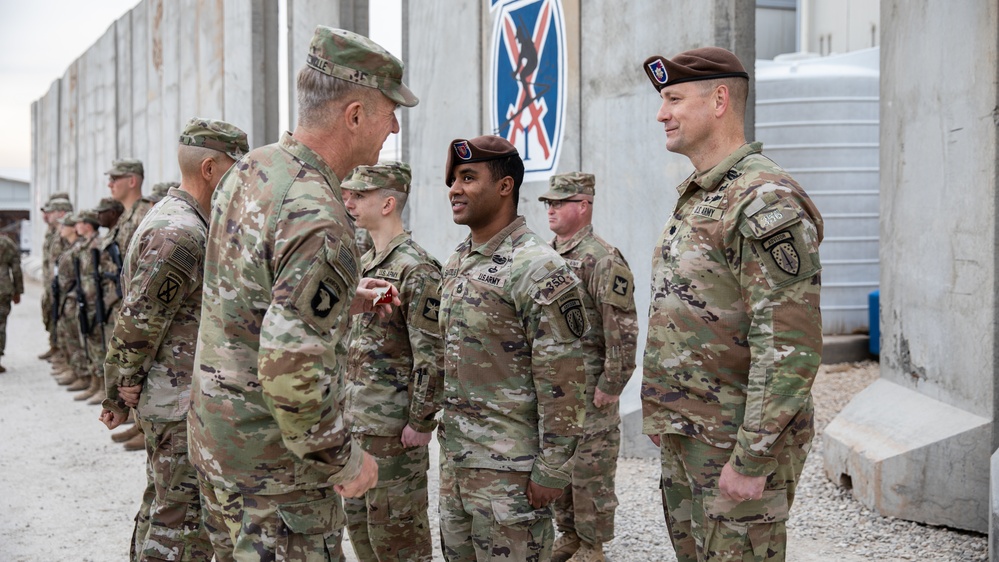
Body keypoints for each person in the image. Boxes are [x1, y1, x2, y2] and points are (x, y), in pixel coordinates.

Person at [188, 26, 418, 562]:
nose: (395, 126)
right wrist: (341, 459)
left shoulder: (253, 169)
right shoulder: (318, 214)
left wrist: (343, 299)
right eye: (389, 112)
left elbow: (242, 291)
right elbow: (291, 368)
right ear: (355, 114)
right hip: (278, 478)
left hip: (220, 445)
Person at [640, 47, 824, 562]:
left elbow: (790, 341)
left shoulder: (763, 198)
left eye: (674, 99)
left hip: (733, 440)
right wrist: (669, 417)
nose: (662, 113)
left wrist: (753, 455)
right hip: (692, 434)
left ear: (720, 99)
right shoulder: (704, 195)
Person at [99, 118, 248, 562]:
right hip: (178, 401)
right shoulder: (180, 234)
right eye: (235, 168)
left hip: (175, 396)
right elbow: (139, 321)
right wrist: (119, 388)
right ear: (208, 168)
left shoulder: (175, 218)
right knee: (183, 523)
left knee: (164, 507)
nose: (242, 179)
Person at [437, 135, 589, 561]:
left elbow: (564, 378)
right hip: (458, 467)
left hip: (512, 475)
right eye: (453, 179)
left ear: (505, 187)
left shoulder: (538, 268)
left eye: (468, 177)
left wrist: (554, 468)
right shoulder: (458, 260)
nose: (455, 188)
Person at [340, 162, 443, 562]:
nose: (349, 201)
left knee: (398, 539)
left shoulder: (415, 268)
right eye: (348, 194)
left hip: (392, 429)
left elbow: (431, 354)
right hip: (357, 421)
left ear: (387, 203)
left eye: (359, 195)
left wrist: (421, 421)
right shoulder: (364, 263)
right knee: (362, 531)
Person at [537, 172, 639, 562]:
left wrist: (612, 383)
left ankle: (593, 546)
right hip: (557, 391)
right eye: (548, 203)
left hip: (591, 389)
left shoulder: (603, 258)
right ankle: (570, 536)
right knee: (559, 466)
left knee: (590, 473)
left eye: (560, 203)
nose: (551, 209)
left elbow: (622, 328)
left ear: (583, 206)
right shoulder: (548, 256)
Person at [102, 158, 153, 449]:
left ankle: (144, 428)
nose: (110, 184)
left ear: (132, 180)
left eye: (115, 178)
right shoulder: (127, 215)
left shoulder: (144, 214)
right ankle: (139, 423)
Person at [65, 210, 101, 394]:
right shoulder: (84, 245)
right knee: (89, 340)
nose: (75, 226)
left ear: (88, 225)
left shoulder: (97, 245)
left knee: (98, 342)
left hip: (96, 301)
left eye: (79, 222)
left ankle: (101, 385)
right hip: (86, 299)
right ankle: (93, 380)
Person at [39, 193, 72, 362]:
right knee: (51, 315)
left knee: (64, 320)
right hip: (51, 283)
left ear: (61, 213)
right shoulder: (53, 232)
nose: (47, 215)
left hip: (65, 286)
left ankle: (64, 355)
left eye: (51, 212)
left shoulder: (68, 231)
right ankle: (56, 347)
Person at [0, 232, 23, 372]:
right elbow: (16, 269)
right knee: (0, 325)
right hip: (3, 289)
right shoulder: (7, 243)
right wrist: (18, 291)